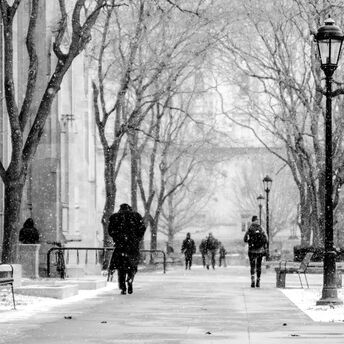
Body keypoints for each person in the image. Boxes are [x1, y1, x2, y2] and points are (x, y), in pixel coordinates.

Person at [108, 203, 146, 295]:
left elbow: (110, 230)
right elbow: (142, 228)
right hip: (132, 245)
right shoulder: (136, 216)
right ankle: (130, 278)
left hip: (120, 246)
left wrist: (117, 238)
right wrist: (137, 238)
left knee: (121, 267)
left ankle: (123, 287)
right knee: (132, 265)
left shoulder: (115, 217)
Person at [243, 215, 268, 288]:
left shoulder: (250, 228)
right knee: (259, 266)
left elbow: (244, 239)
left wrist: (250, 242)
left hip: (251, 250)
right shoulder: (261, 228)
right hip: (260, 250)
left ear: (252, 221)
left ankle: (252, 280)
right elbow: (266, 239)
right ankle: (258, 281)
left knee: (252, 266)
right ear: (257, 220)